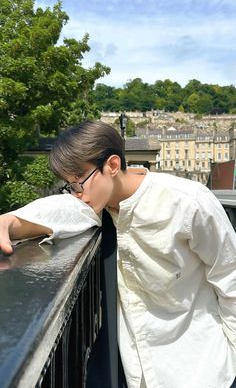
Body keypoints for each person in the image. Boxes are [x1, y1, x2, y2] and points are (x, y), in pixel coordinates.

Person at [0, 120, 236, 388]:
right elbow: (60, 210)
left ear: (112, 165)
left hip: (200, 366)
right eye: (69, 186)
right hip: (133, 367)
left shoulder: (188, 201)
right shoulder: (94, 205)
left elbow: (230, 278)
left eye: (79, 183)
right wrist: (7, 221)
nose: (77, 195)